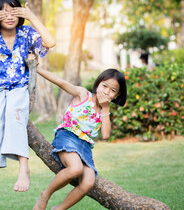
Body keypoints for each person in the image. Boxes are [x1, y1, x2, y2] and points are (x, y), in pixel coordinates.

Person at [0, 0, 56, 205]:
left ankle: (24, 168)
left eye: (13, 10)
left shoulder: (26, 33)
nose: (9, 15)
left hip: (18, 88)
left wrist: (32, 16)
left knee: (16, 118)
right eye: (3, 11)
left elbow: (50, 42)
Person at [33, 68, 127, 210]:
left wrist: (106, 108)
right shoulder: (83, 94)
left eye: (113, 90)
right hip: (67, 136)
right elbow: (59, 81)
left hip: (84, 146)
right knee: (75, 169)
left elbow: (106, 135)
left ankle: (59, 209)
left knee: (88, 182)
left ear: (116, 95)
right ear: (98, 84)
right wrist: (36, 67)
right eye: (105, 86)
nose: (107, 92)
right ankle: (45, 195)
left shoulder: (104, 111)